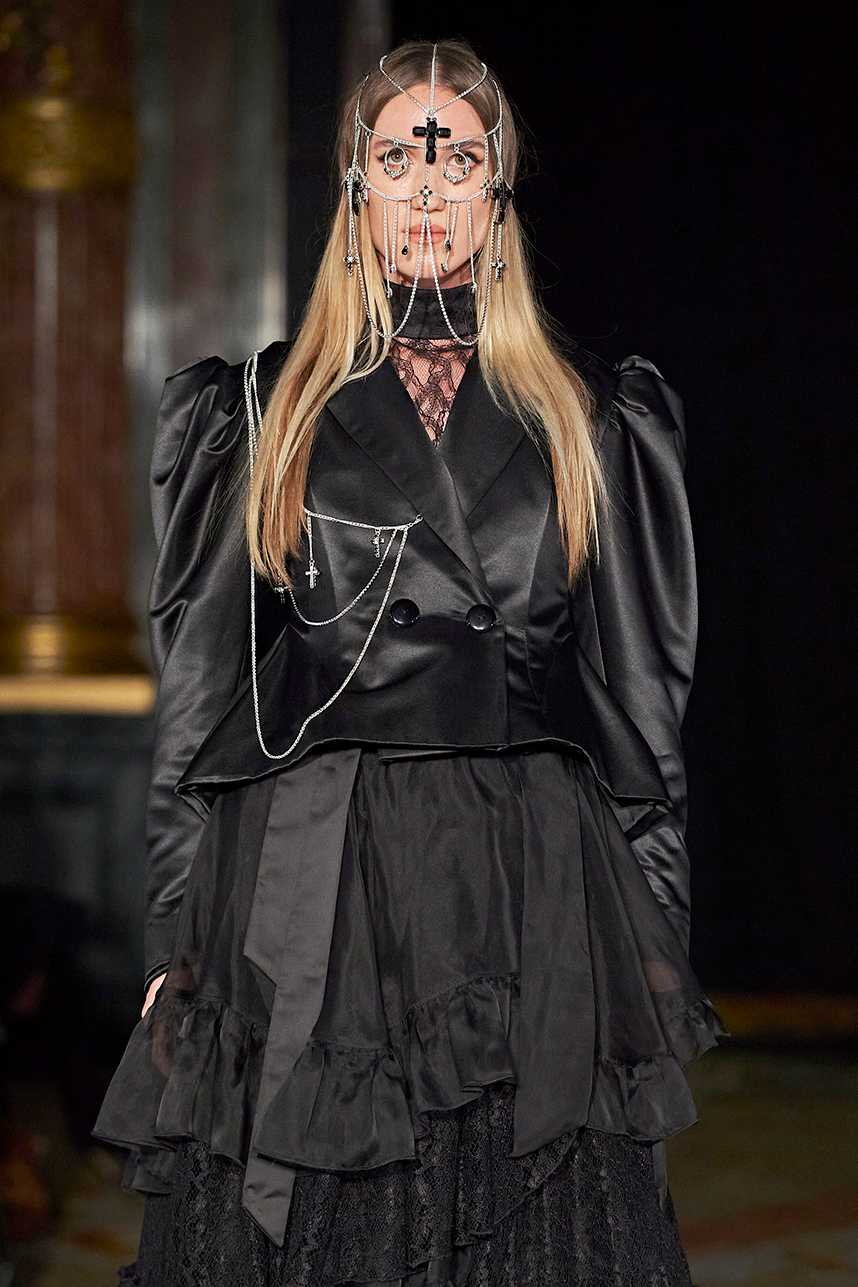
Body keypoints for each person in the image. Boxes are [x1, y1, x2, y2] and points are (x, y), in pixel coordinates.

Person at [96, 38, 727, 1287]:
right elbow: (203, 696)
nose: (428, 191)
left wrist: (653, 934)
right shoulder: (260, 411)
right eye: (397, 160)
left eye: (460, 161)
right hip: (322, 884)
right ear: (356, 188)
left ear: (497, 196)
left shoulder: (593, 416)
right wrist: (172, 941)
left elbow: (643, 706)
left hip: (526, 880)